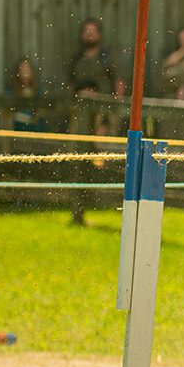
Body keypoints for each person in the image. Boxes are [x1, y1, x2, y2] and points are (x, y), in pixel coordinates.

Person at [67, 18, 123, 226]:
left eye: (92, 31)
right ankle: (79, 209)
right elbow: (71, 86)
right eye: (86, 31)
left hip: (103, 114)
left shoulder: (106, 58)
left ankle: (109, 202)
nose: (89, 35)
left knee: (103, 158)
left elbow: (118, 84)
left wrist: (112, 116)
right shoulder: (77, 59)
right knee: (79, 156)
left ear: (99, 35)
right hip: (81, 116)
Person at [7, 56, 47, 132]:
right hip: (17, 129)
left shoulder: (37, 91)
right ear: (18, 72)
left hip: (35, 130)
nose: (25, 72)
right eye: (22, 69)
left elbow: (42, 111)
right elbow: (8, 113)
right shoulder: (12, 91)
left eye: (27, 69)